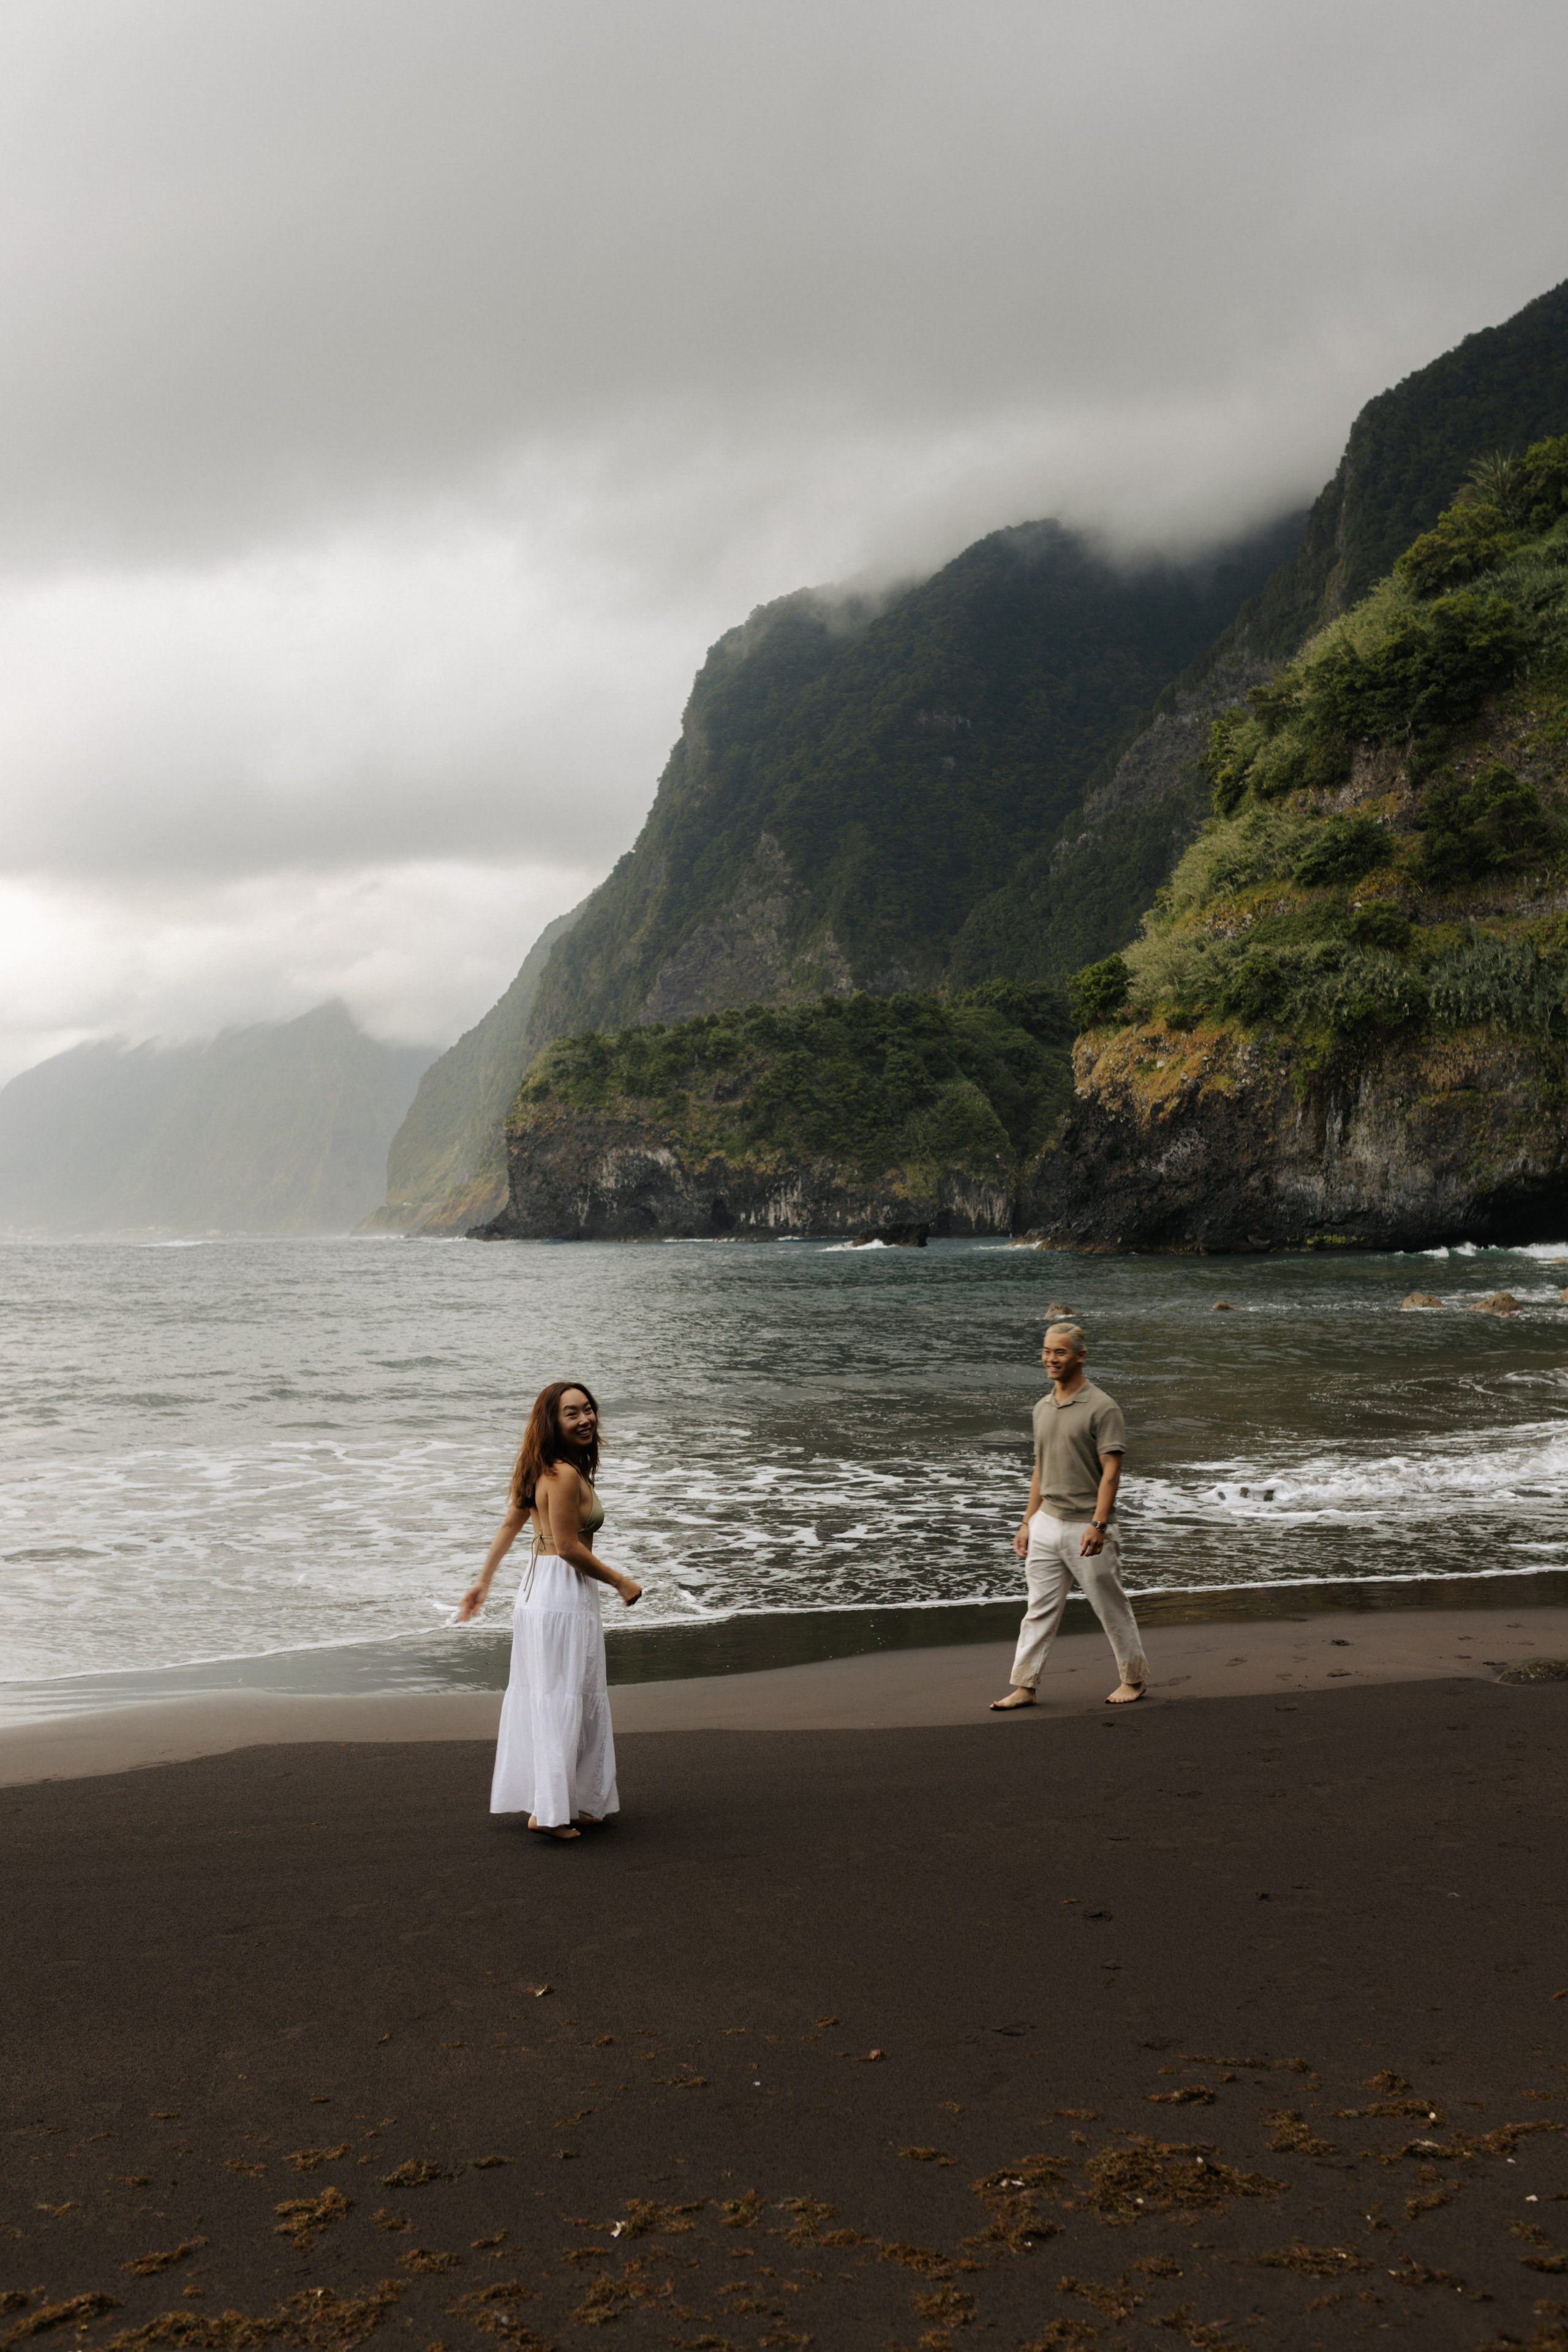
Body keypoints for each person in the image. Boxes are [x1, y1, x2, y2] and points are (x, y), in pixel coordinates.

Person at [456, 1380, 642, 1840]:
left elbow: (510, 1525)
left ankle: (568, 1802)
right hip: (561, 1592)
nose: (585, 1420)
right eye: (571, 1413)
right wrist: (621, 1581)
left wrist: (483, 1580)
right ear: (553, 1422)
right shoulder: (562, 1474)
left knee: (560, 1694)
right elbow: (567, 1548)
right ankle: (549, 1810)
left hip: (541, 1591)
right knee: (563, 1695)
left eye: (588, 1410)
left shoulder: (545, 1468)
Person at [990, 1320, 1148, 1711]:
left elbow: (1111, 1471)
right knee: (1038, 1609)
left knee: (1110, 1607)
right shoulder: (1042, 1407)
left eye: (1060, 1352)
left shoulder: (1103, 1407)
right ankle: (1025, 1686)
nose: (1051, 1359)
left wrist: (1099, 1524)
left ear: (1080, 1355)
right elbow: (1040, 1468)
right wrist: (1027, 1522)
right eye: (1047, 1351)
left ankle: (1133, 1679)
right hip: (1046, 1521)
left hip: (1087, 1527)